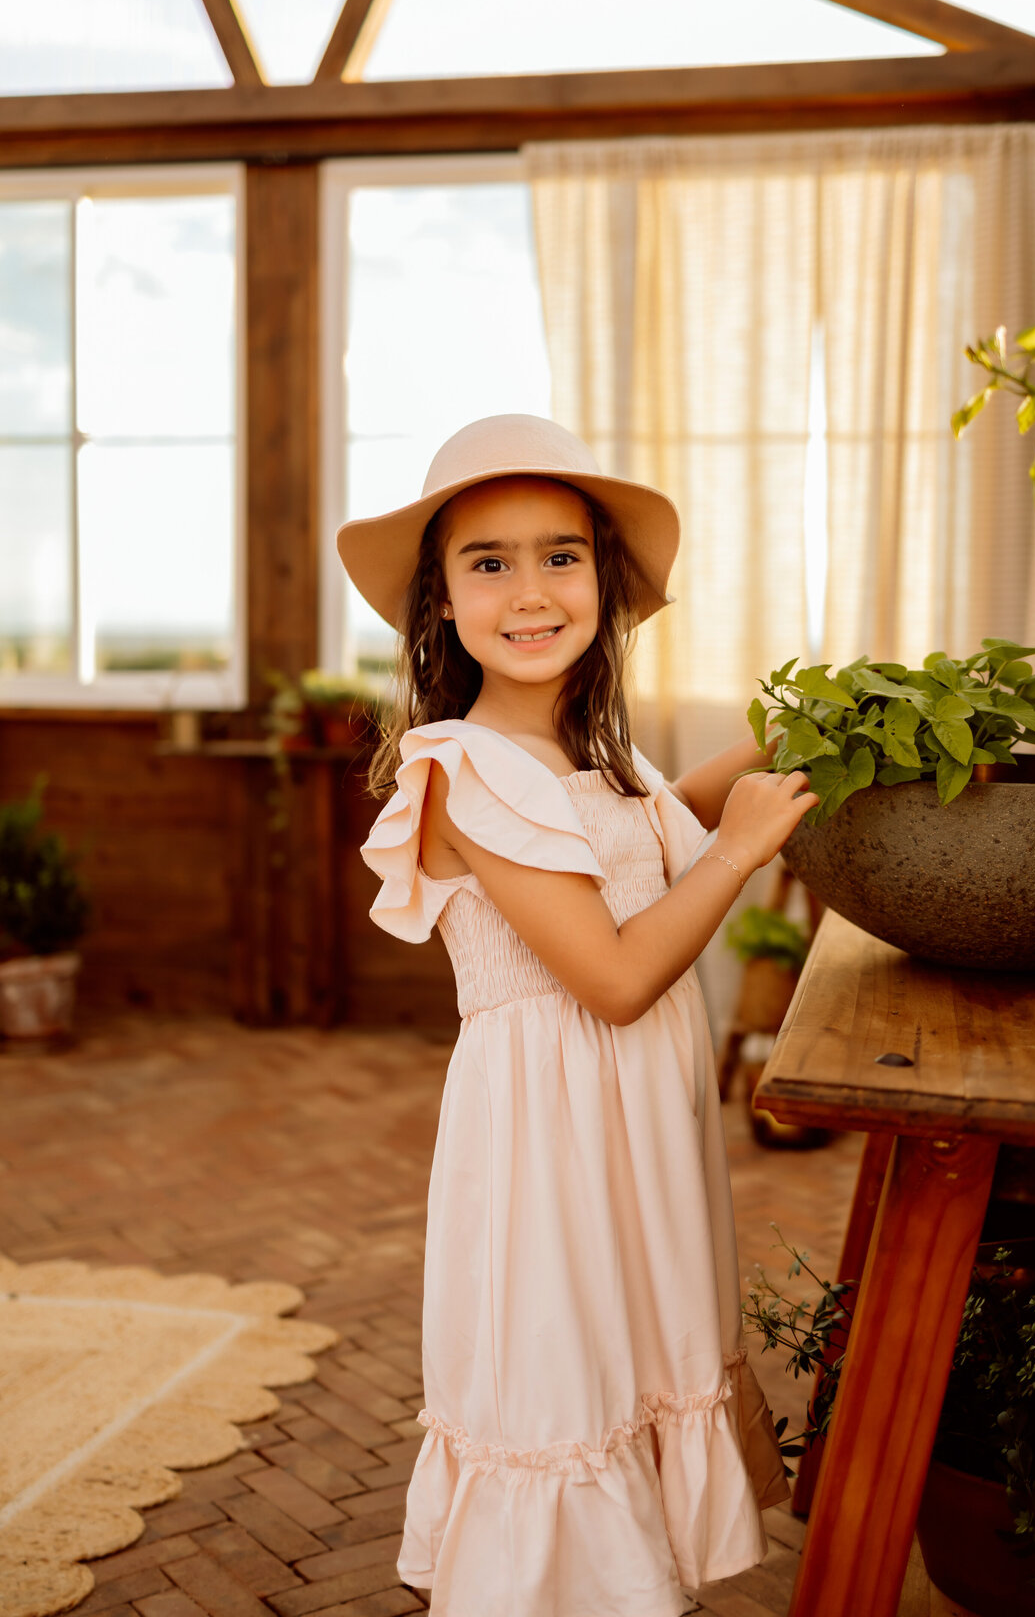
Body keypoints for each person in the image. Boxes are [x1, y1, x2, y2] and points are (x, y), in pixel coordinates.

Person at [338, 414, 817, 1617]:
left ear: (604, 579)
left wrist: (799, 737)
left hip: (630, 1130)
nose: (530, 589)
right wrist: (745, 854)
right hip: (549, 1142)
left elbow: (661, 829)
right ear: (440, 603)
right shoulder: (464, 766)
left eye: (561, 554)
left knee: (630, 1357)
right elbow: (611, 976)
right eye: (487, 562)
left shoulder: (583, 752)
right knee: (560, 1375)